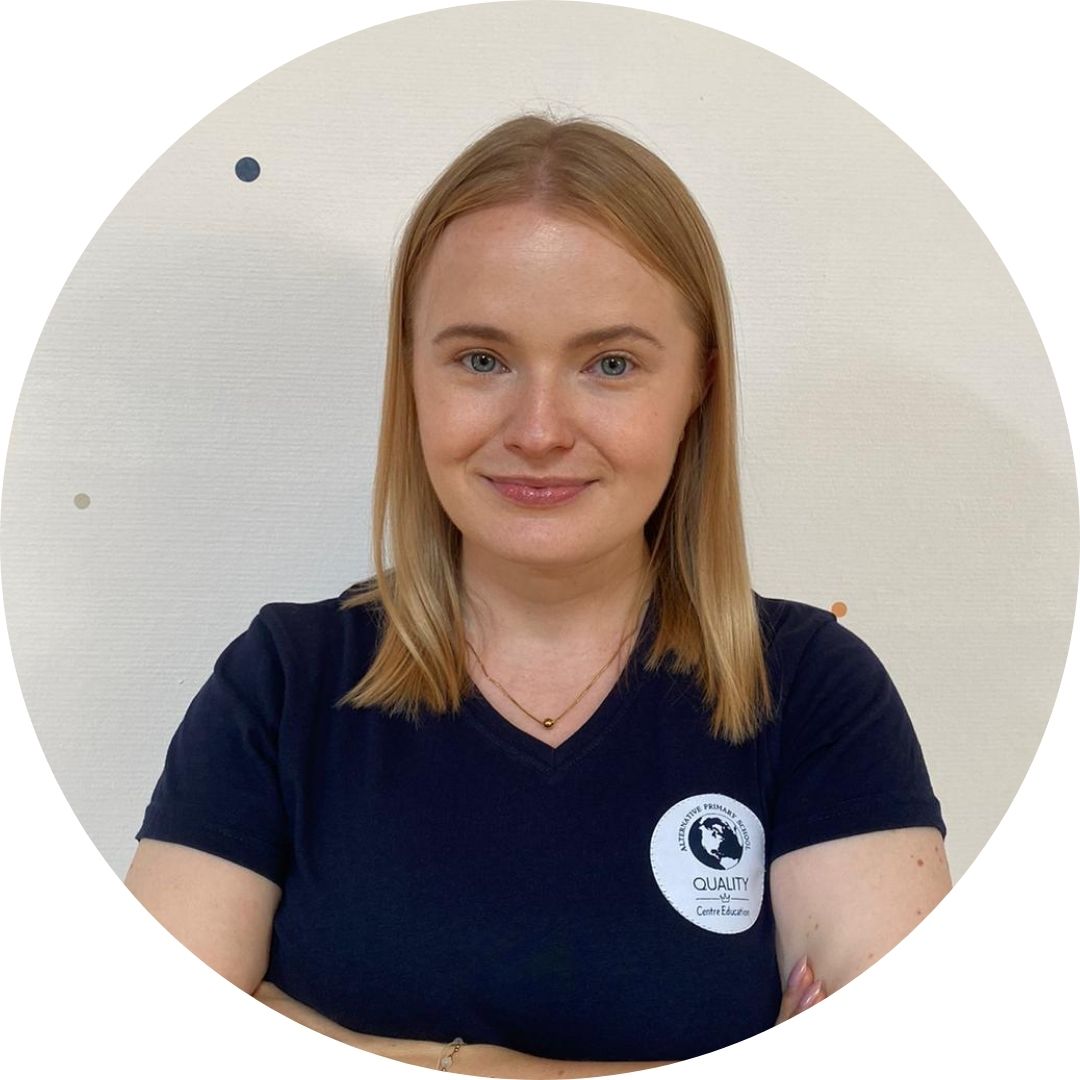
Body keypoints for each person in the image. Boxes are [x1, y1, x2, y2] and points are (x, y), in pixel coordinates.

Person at [124, 112, 950, 1075]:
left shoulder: (811, 693)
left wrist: (382, 1050)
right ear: (412, 374)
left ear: (698, 387)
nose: (540, 430)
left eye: (612, 364)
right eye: (482, 360)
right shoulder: (283, 684)